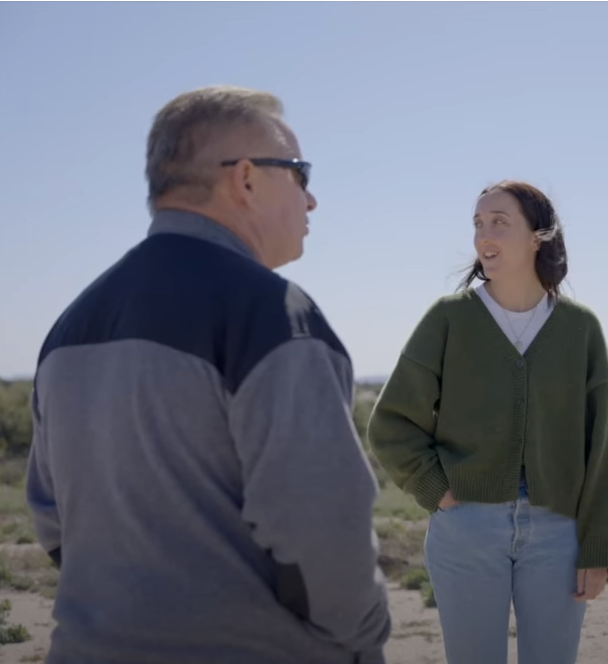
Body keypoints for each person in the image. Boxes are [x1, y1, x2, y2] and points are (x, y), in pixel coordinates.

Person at [24, 85, 393, 664]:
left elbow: (53, 523)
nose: (312, 199)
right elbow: (323, 535)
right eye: (300, 173)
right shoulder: (275, 316)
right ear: (246, 179)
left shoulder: (73, 323)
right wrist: (362, 639)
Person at [367, 179, 608, 664]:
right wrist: (438, 490)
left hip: (558, 533)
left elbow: (605, 447)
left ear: (538, 236)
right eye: (478, 224)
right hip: (466, 527)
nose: (484, 235)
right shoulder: (449, 318)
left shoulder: (580, 328)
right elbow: (391, 423)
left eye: (500, 223)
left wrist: (599, 546)